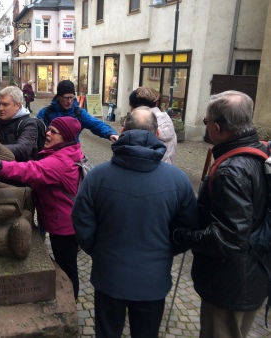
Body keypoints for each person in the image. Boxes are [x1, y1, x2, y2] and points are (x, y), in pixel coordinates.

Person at [72, 107, 198, 337]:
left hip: (109, 276)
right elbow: (188, 229)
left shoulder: (97, 177)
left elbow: (81, 221)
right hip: (153, 279)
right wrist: (165, 250)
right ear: (157, 134)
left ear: (122, 131)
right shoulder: (178, 180)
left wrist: (98, 250)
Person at [171, 91, 268, 338]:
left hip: (231, 283)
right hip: (254, 272)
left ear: (216, 127)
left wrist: (183, 235)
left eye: (205, 122)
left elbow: (228, 239)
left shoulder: (231, 170)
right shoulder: (261, 153)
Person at [0, 116, 84, 300]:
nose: (47, 133)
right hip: (63, 219)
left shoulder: (60, 162)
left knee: (67, 266)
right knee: (65, 262)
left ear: (65, 137)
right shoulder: (66, 151)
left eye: (53, 132)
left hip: (64, 227)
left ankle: (70, 300)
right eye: (48, 129)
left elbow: (30, 169)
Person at [37, 79, 119, 142]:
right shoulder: (46, 113)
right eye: (66, 97)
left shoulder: (79, 113)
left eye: (71, 97)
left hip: (72, 155)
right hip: (50, 155)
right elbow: (34, 131)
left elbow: (95, 124)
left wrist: (110, 133)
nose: (69, 101)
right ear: (58, 97)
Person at [0, 86, 38, 186]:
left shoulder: (29, 124)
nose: (0, 108)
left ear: (17, 105)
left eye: (5, 104)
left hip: (22, 183)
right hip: (3, 178)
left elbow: (23, 148)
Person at [129, 87, 177, 164]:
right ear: (156, 103)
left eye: (131, 107)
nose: (130, 110)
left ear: (135, 108)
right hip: (166, 169)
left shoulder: (140, 124)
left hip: (148, 173)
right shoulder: (166, 120)